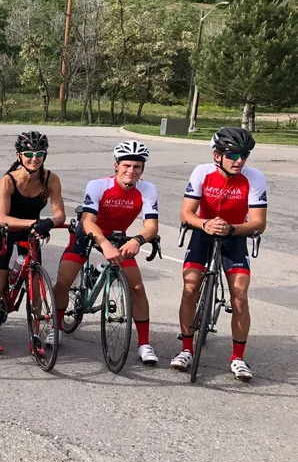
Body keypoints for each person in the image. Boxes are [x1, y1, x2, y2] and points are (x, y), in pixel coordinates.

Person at [170, 127, 267, 381]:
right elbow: (186, 213)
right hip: (203, 233)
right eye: (233, 155)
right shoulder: (202, 172)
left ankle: (238, 358)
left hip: (234, 235)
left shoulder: (254, 177)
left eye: (244, 155)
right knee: (190, 288)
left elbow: (259, 222)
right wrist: (204, 224)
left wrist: (232, 228)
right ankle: (186, 349)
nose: (239, 161)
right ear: (217, 156)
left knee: (240, 296)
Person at [54, 141, 159, 364]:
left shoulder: (148, 189)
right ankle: (56, 328)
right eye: (127, 165)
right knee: (63, 282)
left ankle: (144, 344)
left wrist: (138, 240)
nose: (131, 171)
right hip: (89, 233)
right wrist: (104, 244)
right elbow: (88, 221)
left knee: (137, 288)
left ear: (142, 169)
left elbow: (151, 226)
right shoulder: (98, 185)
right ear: (116, 166)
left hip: (118, 236)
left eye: (137, 167)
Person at [0, 131, 66, 355]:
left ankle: (35, 335)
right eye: (29, 154)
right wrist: (34, 223)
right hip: (7, 232)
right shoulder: (9, 180)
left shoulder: (50, 179)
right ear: (19, 155)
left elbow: (60, 215)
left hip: (31, 234)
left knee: (35, 286)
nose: (34, 158)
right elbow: (2, 218)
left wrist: (49, 222)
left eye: (39, 154)